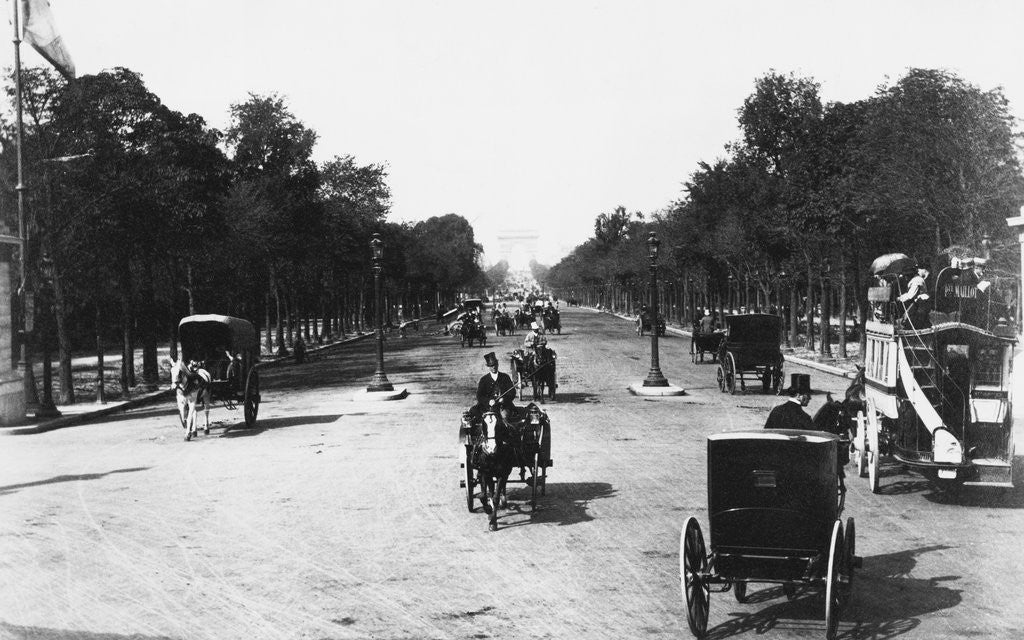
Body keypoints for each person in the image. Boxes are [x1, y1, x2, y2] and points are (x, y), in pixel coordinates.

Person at [473, 351, 517, 420]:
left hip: (503, 406)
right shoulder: (484, 379)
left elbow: (512, 392)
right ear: (488, 366)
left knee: (505, 416)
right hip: (487, 407)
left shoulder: (505, 377)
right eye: (491, 365)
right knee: (474, 415)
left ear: (498, 364)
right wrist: (488, 401)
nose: (494, 367)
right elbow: (479, 395)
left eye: (495, 364)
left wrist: (504, 399)